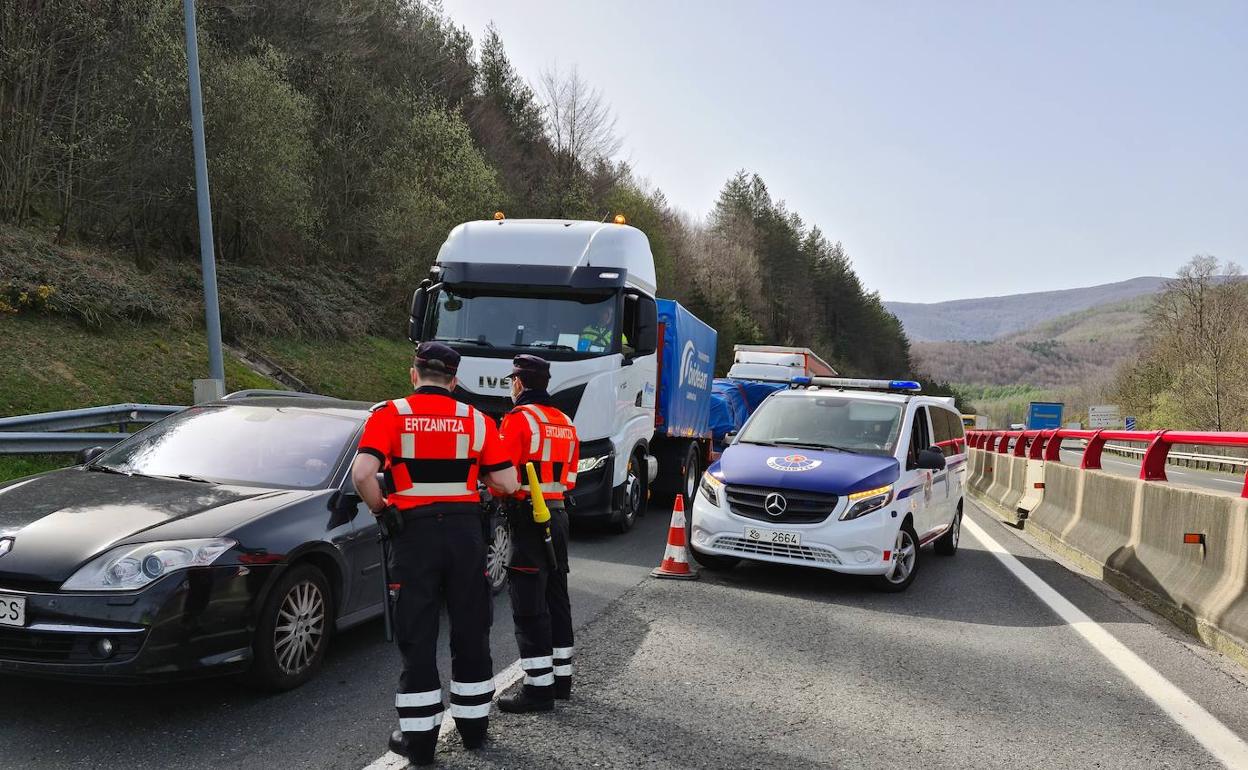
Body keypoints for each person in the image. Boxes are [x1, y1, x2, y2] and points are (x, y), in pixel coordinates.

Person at [351, 342, 520, 766]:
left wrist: (383, 511)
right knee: (471, 626)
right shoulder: (478, 420)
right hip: (465, 533)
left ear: (414, 374)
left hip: (414, 535)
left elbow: (362, 475)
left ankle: (420, 743)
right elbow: (509, 482)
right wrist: (486, 486)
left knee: (418, 632)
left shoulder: (389, 415)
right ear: (455, 380)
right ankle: (474, 728)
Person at [496, 355, 580, 713]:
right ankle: (562, 681)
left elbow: (504, 477)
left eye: (511, 381)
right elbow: (571, 477)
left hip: (528, 517)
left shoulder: (517, 421)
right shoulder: (565, 421)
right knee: (556, 597)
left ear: (518, 383)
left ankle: (538, 690)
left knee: (528, 604)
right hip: (558, 515)